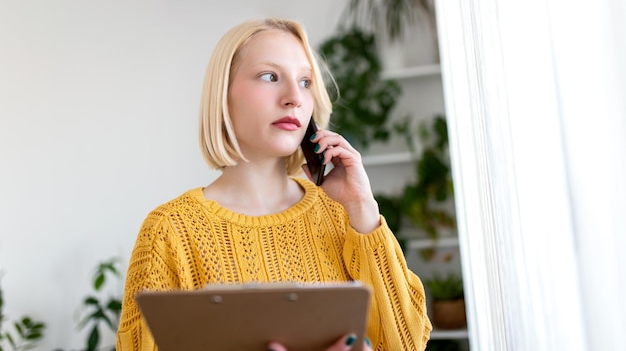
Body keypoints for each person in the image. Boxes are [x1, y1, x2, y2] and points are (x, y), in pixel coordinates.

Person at [116, 18, 432, 351]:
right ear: (222, 96)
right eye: (270, 76)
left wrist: (363, 209)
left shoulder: (345, 215)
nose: (294, 97)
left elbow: (407, 344)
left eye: (306, 81)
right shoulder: (170, 232)